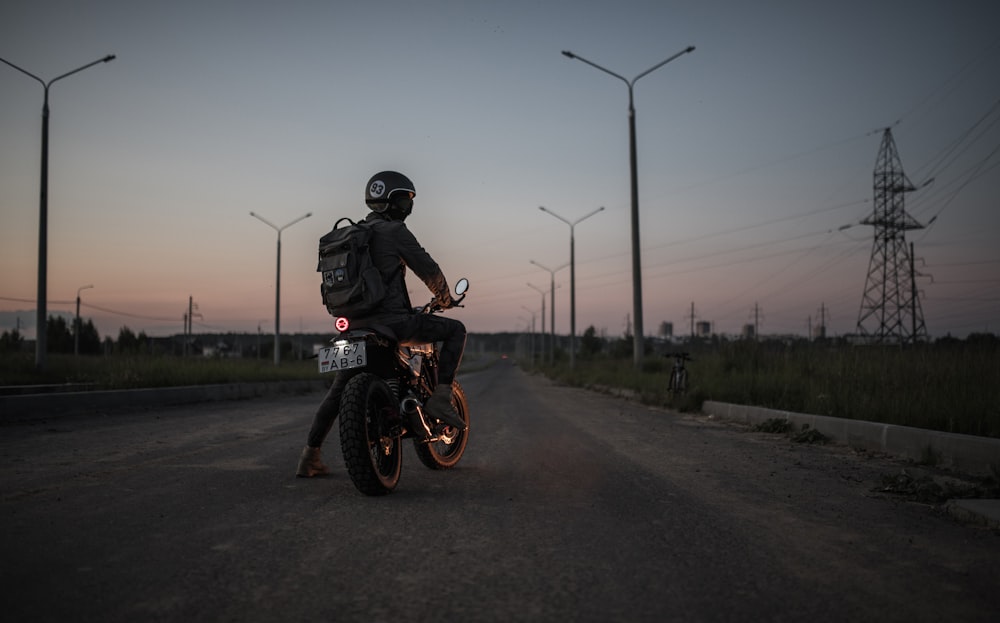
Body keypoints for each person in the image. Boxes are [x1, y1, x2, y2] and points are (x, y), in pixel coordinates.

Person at [296, 170, 468, 477]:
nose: (407, 207)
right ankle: (441, 398)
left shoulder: (355, 235)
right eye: (404, 200)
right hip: (392, 323)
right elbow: (428, 268)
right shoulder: (394, 232)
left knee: (338, 390)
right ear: (391, 204)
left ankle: (310, 455)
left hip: (353, 327)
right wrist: (444, 298)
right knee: (456, 329)